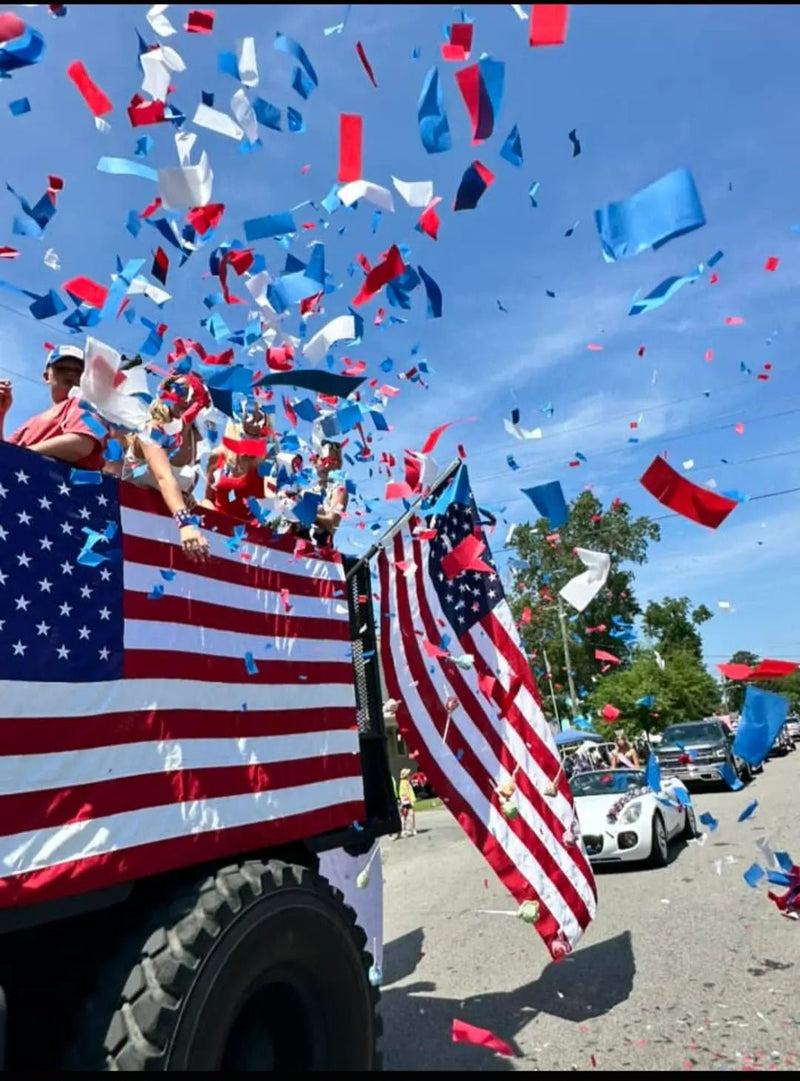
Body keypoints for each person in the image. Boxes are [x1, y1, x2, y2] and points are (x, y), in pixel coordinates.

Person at [120, 371, 210, 562]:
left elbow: (178, 484)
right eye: (182, 390)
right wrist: (185, 523)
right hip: (130, 527)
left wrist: (186, 495)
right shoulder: (151, 427)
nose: (187, 398)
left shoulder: (197, 442)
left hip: (166, 537)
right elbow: (164, 477)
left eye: (196, 393)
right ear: (165, 393)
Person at [0, 344, 106, 469]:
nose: (71, 375)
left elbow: (82, 445)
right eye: (61, 368)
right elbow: (4, 455)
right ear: (46, 376)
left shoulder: (89, 406)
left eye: (79, 371)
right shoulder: (29, 424)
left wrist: (20, 456)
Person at [200, 404, 276, 523]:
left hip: (252, 536)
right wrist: (211, 519)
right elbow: (208, 499)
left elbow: (275, 503)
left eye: (260, 419)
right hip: (219, 532)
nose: (254, 424)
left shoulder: (268, 462)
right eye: (249, 417)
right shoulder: (217, 456)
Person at [397, 768, 417, 837]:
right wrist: (410, 801)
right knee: (406, 815)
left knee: (410, 815)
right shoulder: (403, 783)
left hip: (407, 801)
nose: (409, 775)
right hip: (406, 802)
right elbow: (405, 793)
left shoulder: (406, 782)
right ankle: (405, 830)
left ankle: (410, 829)